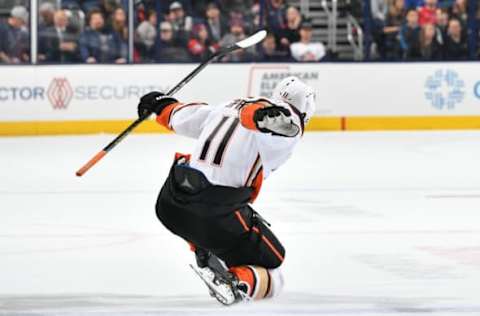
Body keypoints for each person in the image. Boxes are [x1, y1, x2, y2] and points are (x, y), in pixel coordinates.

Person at [137, 76, 316, 305]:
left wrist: (160, 105)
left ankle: (203, 249)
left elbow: (182, 116)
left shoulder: (228, 106)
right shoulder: (288, 123)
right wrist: (262, 118)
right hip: (214, 215)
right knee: (274, 271)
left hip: (170, 203)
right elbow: (279, 121)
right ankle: (235, 282)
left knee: (218, 215)